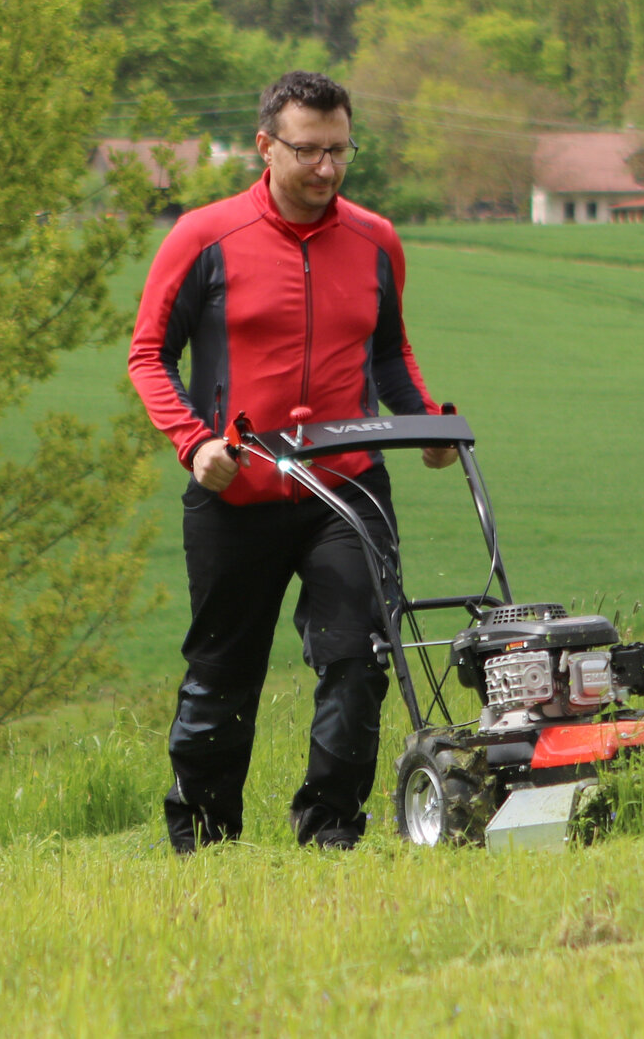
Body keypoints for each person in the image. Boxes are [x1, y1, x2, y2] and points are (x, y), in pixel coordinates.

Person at [127, 70, 454, 852]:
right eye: (309, 151)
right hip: (237, 487)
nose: (327, 169)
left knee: (360, 655)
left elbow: (390, 356)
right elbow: (148, 354)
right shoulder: (202, 238)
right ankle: (204, 838)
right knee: (223, 673)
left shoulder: (376, 240)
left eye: (340, 150)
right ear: (266, 146)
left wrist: (427, 424)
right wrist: (193, 441)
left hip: (346, 488)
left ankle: (330, 830)